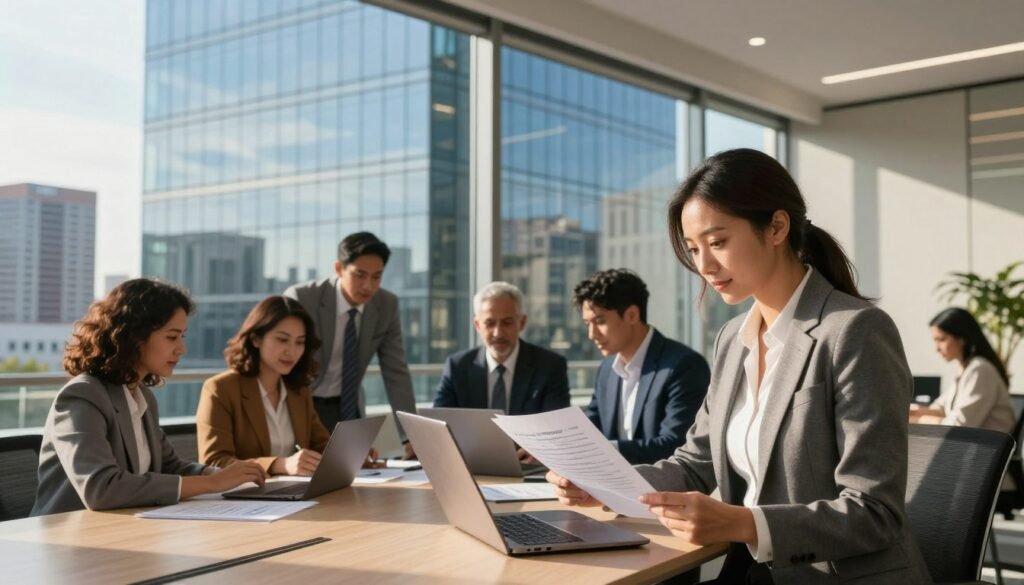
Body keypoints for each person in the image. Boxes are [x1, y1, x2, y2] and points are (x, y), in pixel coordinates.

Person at [547, 149, 932, 584]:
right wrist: (603, 482)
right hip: (754, 572)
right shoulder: (733, 339)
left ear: (777, 228)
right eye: (694, 249)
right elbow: (695, 463)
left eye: (718, 242)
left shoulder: (854, 331)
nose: (704, 266)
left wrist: (743, 524)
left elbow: (874, 512)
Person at [32, 279, 266, 516]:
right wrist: (211, 484)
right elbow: (101, 488)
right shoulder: (83, 395)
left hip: (125, 529)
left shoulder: (141, 396)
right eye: (172, 337)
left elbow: (168, 466)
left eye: (182, 336)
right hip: (68, 539)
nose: (182, 348)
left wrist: (216, 474)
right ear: (134, 336)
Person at [197, 296, 379, 476]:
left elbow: (321, 446)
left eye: (300, 342)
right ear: (256, 339)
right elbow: (214, 462)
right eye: (282, 340)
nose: (291, 351)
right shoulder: (220, 389)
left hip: (293, 496)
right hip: (244, 499)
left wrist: (351, 454)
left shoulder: (298, 391)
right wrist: (279, 464)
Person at [284, 232, 416, 457]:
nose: (368, 286)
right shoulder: (303, 298)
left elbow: (396, 373)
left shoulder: (386, 305)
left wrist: (411, 436)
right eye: (360, 275)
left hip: (346, 409)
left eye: (377, 276)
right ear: (338, 269)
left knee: (354, 476)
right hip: (300, 403)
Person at [573, 268, 710, 464]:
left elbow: (676, 445)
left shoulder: (684, 366)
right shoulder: (607, 368)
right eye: (587, 324)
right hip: (612, 484)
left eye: (600, 321)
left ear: (632, 315)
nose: (592, 334)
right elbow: (592, 425)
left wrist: (608, 449)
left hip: (663, 487)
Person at [433, 281, 570, 415]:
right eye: (490, 323)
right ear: (477, 325)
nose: (498, 333)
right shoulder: (457, 367)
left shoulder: (550, 367)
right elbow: (438, 424)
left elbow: (556, 428)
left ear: (522, 323)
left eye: (507, 323)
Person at [910, 307, 1014, 433]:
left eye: (941, 340)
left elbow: (959, 427)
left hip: (987, 450)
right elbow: (941, 409)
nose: (937, 348)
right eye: (935, 341)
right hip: (974, 447)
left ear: (962, 339)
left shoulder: (980, 369)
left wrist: (920, 419)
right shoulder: (966, 368)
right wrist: (910, 412)